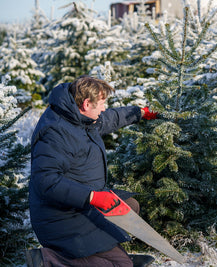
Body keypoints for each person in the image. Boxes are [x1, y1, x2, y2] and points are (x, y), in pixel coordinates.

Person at [27, 76, 157, 266]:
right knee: (124, 265)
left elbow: (110, 118)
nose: (104, 108)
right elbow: (46, 181)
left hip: (82, 204)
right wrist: (92, 197)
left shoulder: (78, 117)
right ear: (87, 104)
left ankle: (99, 253)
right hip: (61, 216)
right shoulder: (55, 133)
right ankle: (50, 259)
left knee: (130, 206)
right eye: (102, 103)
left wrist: (139, 113)